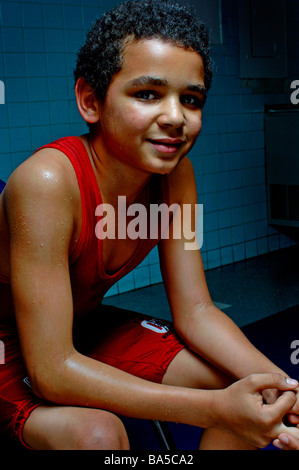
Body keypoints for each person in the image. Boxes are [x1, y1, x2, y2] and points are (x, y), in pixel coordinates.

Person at [0, 0, 298, 451]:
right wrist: (215, 409)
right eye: (148, 94)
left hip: (82, 327)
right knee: (98, 436)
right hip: (14, 345)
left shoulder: (177, 175)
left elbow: (197, 310)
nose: (175, 117)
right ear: (90, 101)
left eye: (191, 99)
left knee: (249, 389)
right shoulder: (46, 182)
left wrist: (284, 388)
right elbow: (52, 370)